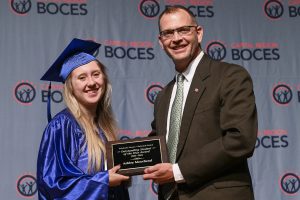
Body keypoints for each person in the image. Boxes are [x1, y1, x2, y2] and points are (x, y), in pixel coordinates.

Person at [143, 6, 258, 200]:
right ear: (161, 42)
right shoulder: (164, 95)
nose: (176, 38)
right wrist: (121, 161)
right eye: (168, 33)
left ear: (199, 33)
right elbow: (159, 146)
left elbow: (240, 139)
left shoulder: (230, 77)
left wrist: (178, 171)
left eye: (184, 30)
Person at [37, 38, 130, 200]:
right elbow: (51, 186)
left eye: (96, 74)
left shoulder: (103, 124)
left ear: (104, 79)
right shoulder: (62, 125)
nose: (92, 82)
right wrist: (104, 180)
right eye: (82, 78)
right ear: (71, 86)